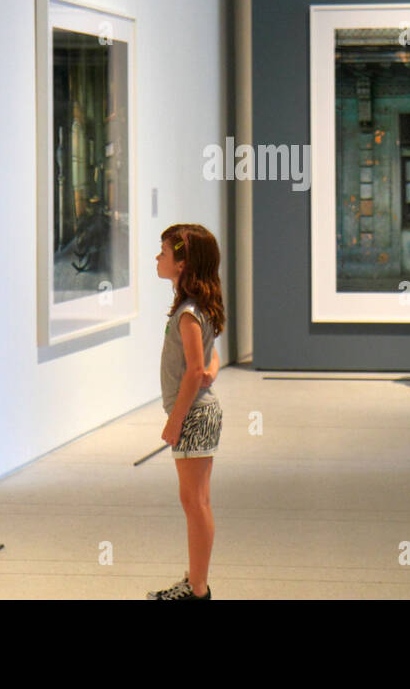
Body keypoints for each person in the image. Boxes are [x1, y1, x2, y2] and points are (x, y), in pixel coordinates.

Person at [147, 224, 224, 598]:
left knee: (195, 503)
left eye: (163, 252)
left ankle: (198, 589)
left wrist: (175, 420)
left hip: (193, 415)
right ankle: (196, 581)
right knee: (196, 501)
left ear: (181, 264)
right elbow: (209, 358)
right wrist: (211, 370)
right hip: (200, 413)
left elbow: (195, 371)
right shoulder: (193, 309)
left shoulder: (189, 313)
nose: (157, 258)